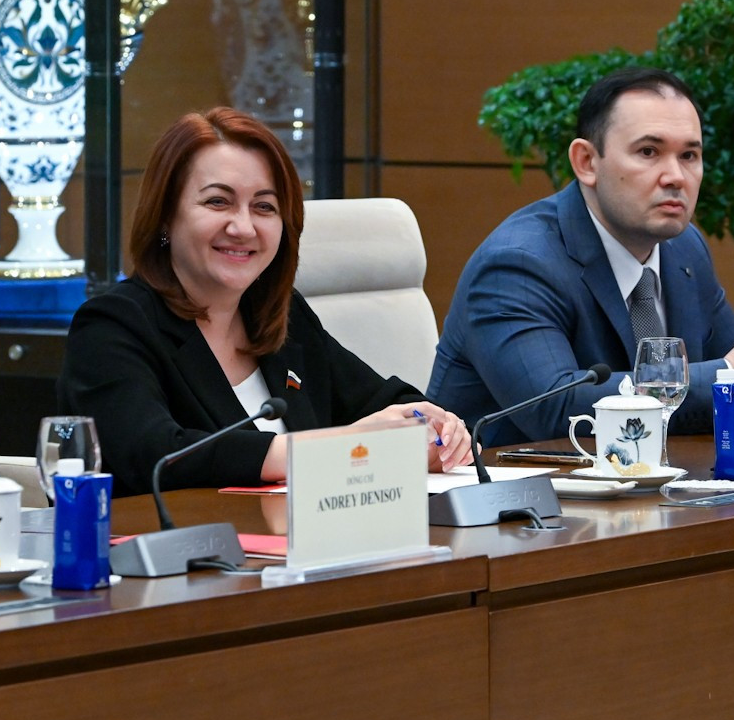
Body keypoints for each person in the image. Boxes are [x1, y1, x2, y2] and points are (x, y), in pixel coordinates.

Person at [56, 108, 474, 498]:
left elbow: (381, 401)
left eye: (264, 207)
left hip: (300, 555)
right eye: (217, 201)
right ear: (165, 216)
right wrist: (346, 445)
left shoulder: (279, 316)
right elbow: (157, 455)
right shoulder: (113, 325)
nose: (243, 227)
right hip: (175, 564)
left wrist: (433, 427)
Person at [427, 65, 734, 445]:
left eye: (689, 156)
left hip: (656, 494)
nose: (675, 176)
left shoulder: (683, 247)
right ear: (587, 162)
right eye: (649, 152)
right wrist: (730, 377)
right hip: (515, 504)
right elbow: (554, 408)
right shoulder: (517, 265)